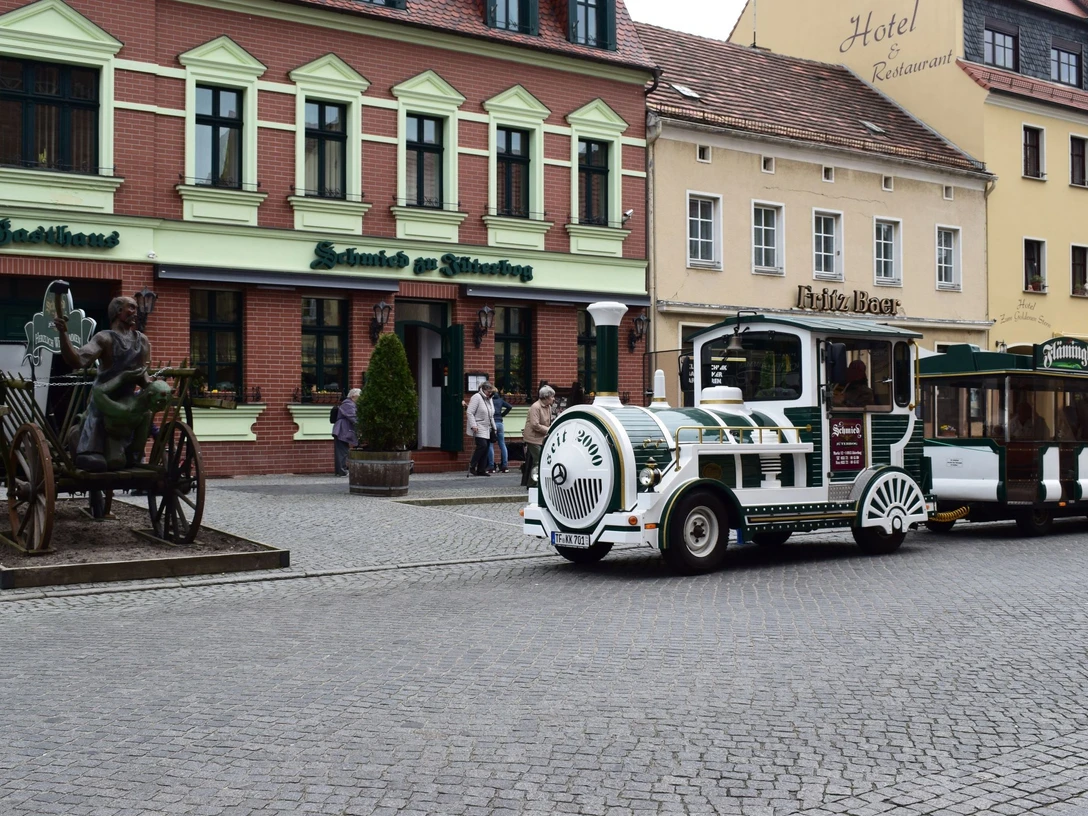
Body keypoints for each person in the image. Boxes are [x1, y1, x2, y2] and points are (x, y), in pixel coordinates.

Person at [54, 295, 151, 472]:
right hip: (104, 396)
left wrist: (155, 390)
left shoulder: (142, 341)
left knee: (144, 414)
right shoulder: (104, 338)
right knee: (98, 413)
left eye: (136, 308)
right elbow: (78, 360)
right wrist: (63, 334)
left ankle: (132, 452)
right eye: (131, 307)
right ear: (117, 311)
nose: (135, 312)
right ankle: (88, 451)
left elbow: (143, 376)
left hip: (127, 399)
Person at [521, 384, 555, 487]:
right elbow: (534, 425)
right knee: (539, 459)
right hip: (533, 438)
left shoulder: (548, 406)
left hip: (542, 437)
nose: (553, 399)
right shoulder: (535, 407)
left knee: (541, 459)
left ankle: (535, 482)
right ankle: (533, 484)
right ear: (546, 397)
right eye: (552, 396)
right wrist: (549, 430)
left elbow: (548, 422)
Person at [466, 381, 496, 477]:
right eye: (489, 392)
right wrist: (473, 425)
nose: (490, 394)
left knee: (486, 448)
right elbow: (470, 412)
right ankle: (472, 465)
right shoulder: (476, 397)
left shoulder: (489, 399)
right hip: (478, 426)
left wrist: (494, 427)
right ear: (484, 390)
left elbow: (491, 414)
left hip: (487, 427)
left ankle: (481, 470)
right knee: (482, 446)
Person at [332, 387, 360, 476]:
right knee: (342, 452)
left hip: (343, 430)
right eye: (359, 397)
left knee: (342, 451)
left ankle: (340, 471)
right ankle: (342, 471)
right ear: (353, 396)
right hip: (341, 430)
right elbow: (353, 417)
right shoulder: (348, 404)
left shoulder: (349, 404)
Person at [487, 389, 514, 473]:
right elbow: (509, 407)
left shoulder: (488, 400)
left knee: (490, 445)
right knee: (502, 444)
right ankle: (505, 466)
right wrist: (502, 415)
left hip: (491, 423)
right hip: (500, 423)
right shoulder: (500, 400)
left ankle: (491, 466)